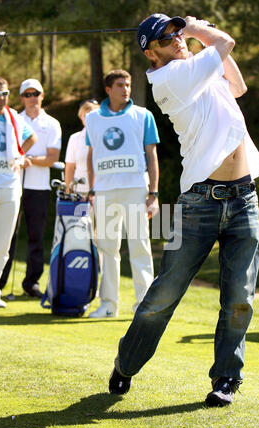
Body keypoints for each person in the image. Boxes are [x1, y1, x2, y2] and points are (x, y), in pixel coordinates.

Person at [108, 14, 259, 407]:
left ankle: (227, 378)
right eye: (166, 36)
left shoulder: (197, 69)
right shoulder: (167, 81)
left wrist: (192, 40)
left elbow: (239, 86)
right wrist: (197, 29)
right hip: (199, 202)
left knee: (240, 296)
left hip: (244, 195)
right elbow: (225, 43)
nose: (175, 38)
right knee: (164, 295)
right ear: (150, 53)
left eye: (176, 30)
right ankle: (126, 363)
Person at [86, 69, 160, 318]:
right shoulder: (93, 118)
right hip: (105, 192)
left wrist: (154, 193)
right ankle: (108, 305)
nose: (125, 89)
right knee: (108, 249)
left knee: (140, 247)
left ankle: (144, 305)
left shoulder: (143, 115)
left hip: (136, 189)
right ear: (108, 89)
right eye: (119, 85)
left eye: (127, 84)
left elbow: (151, 155)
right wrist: (92, 189)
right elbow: (91, 154)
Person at [0, 78, 62, 298]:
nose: (32, 98)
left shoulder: (52, 123)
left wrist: (28, 159)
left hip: (39, 187)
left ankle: (31, 282)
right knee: (7, 235)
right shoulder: (13, 120)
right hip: (13, 184)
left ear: (42, 96)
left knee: (35, 236)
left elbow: (53, 156)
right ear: (21, 98)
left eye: (36, 94)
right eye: (27, 94)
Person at [0, 77, 36, 307]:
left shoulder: (13, 117)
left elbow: (31, 137)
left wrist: (21, 156)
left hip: (10, 187)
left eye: (4, 94)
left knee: (2, 245)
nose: (1, 98)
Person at [64, 99, 99, 197]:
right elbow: (70, 167)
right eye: (85, 116)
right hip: (80, 192)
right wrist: (68, 191)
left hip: (102, 191)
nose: (89, 119)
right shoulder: (75, 138)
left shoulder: (105, 137)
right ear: (81, 118)